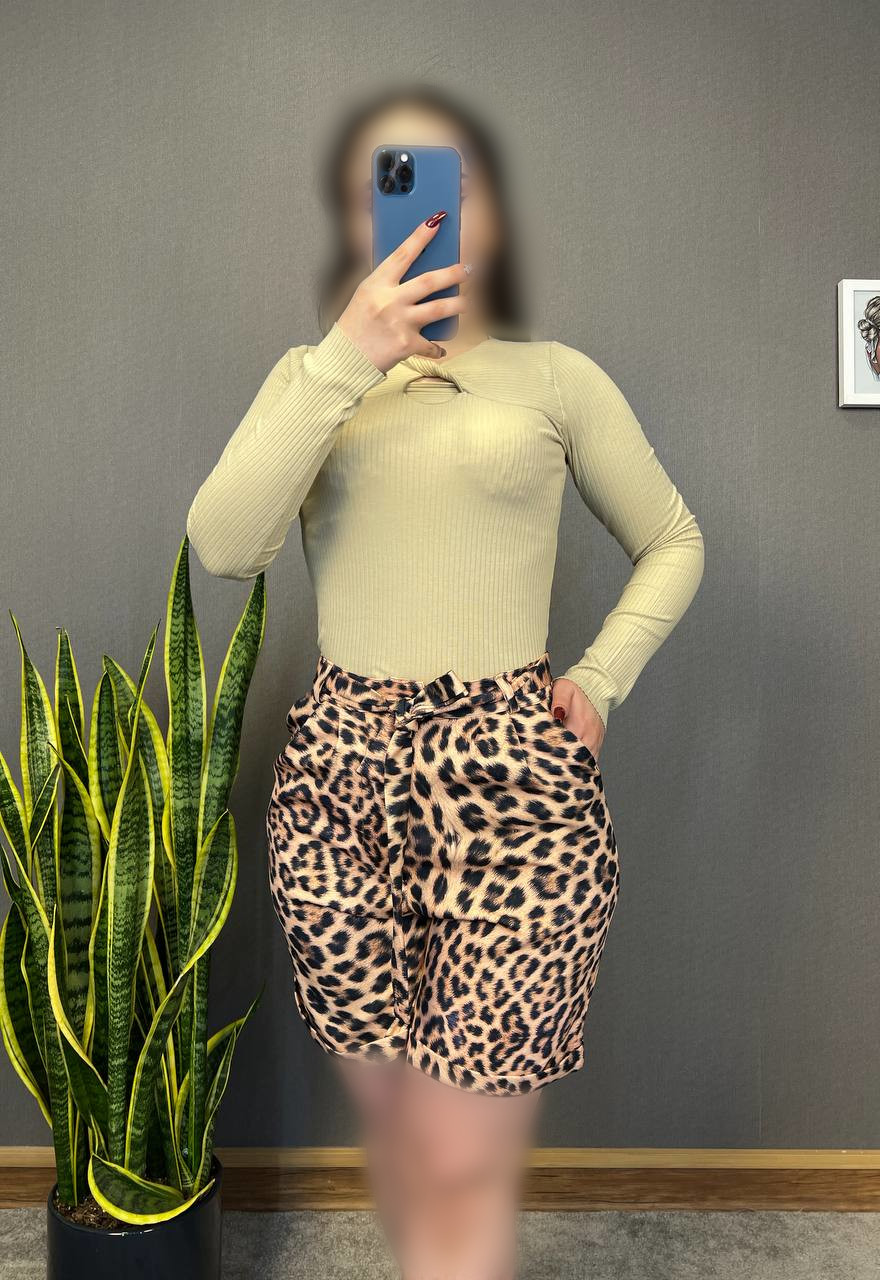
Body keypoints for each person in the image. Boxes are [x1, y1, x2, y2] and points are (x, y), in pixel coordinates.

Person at [188, 85, 704, 1280]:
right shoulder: (313, 377)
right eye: (390, 187)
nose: (420, 212)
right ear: (357, 217)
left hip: (517, 780)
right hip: (340, 780)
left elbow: (674, 537)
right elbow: (222, 545)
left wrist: (600, 678)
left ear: (486, 214)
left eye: (444, 184)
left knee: (465, 1144)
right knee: (406, 1128)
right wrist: (345, 356)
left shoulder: (556, 378)